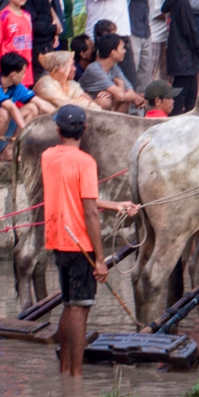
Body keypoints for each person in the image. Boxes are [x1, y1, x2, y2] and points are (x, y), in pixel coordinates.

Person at [40, 104, 124, 377]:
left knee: (69, 304)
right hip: (81, 245)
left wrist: (116, 205)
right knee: (80, 310)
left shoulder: (48, 156)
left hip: (58, 239)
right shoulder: (86, 162)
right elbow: (89, 211)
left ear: (57, 130)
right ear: (84, 129)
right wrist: (100, 260)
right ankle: (76, 377)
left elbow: (79, 197)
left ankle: (65, 370)